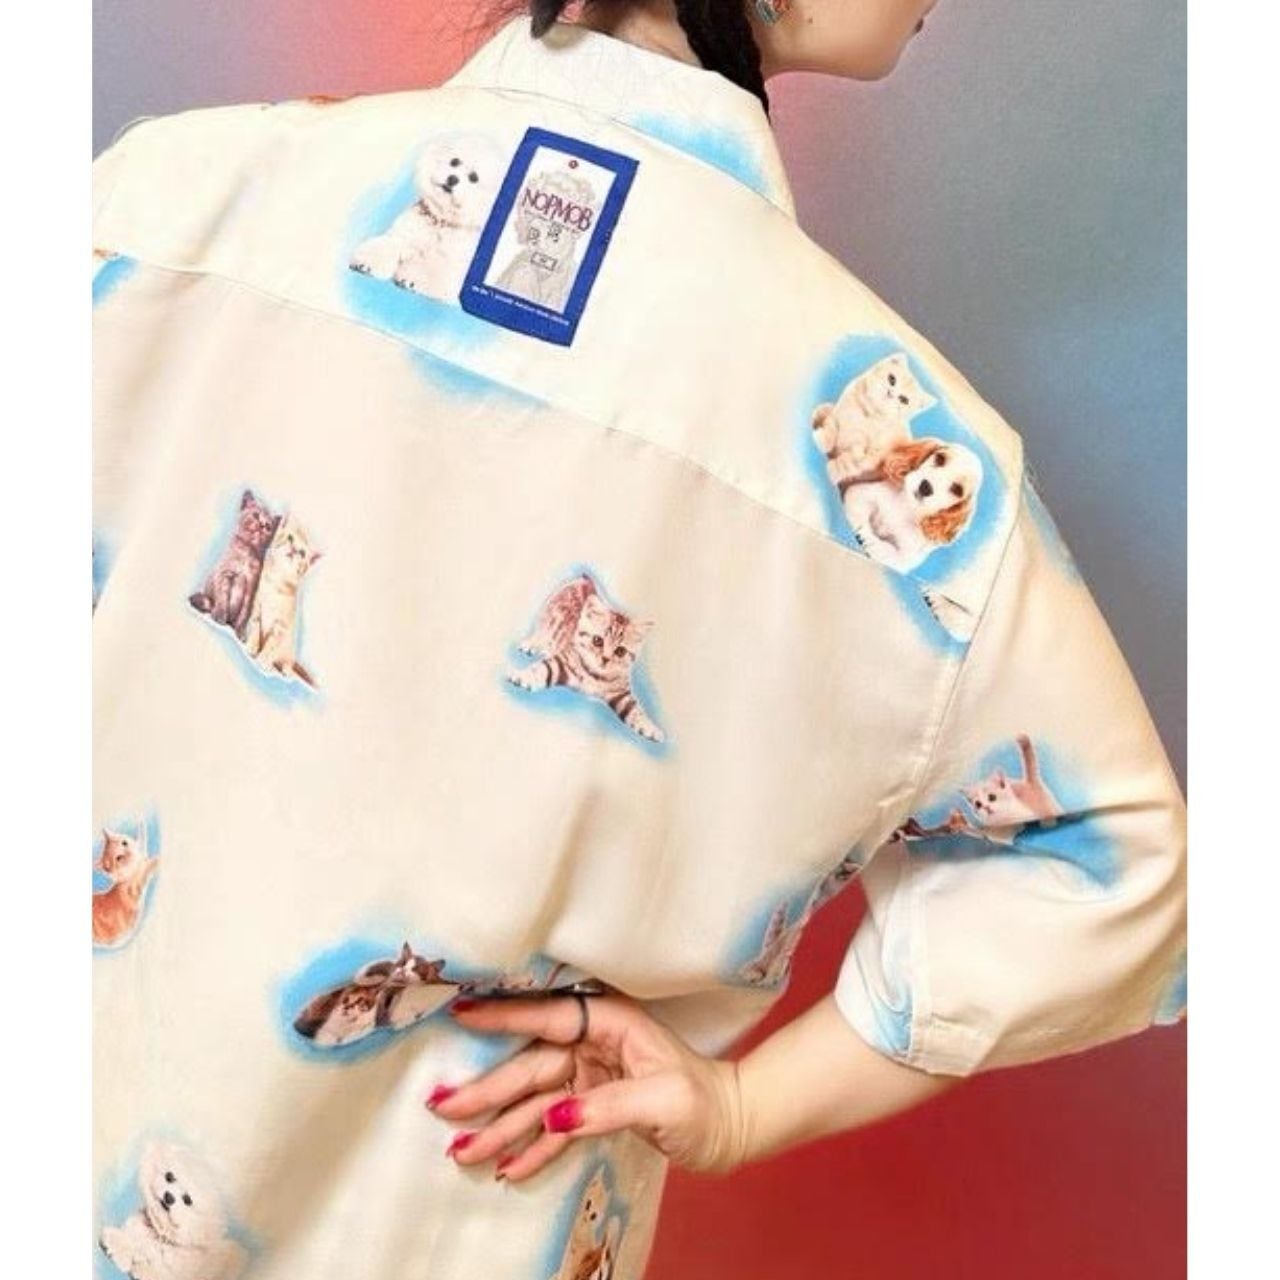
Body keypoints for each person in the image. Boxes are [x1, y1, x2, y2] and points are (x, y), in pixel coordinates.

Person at [90, 2, 1186, 1277]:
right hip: (465, 1219)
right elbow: (1117, 859)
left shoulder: (172, 202)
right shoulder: (910, 452)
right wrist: (741, 1106)